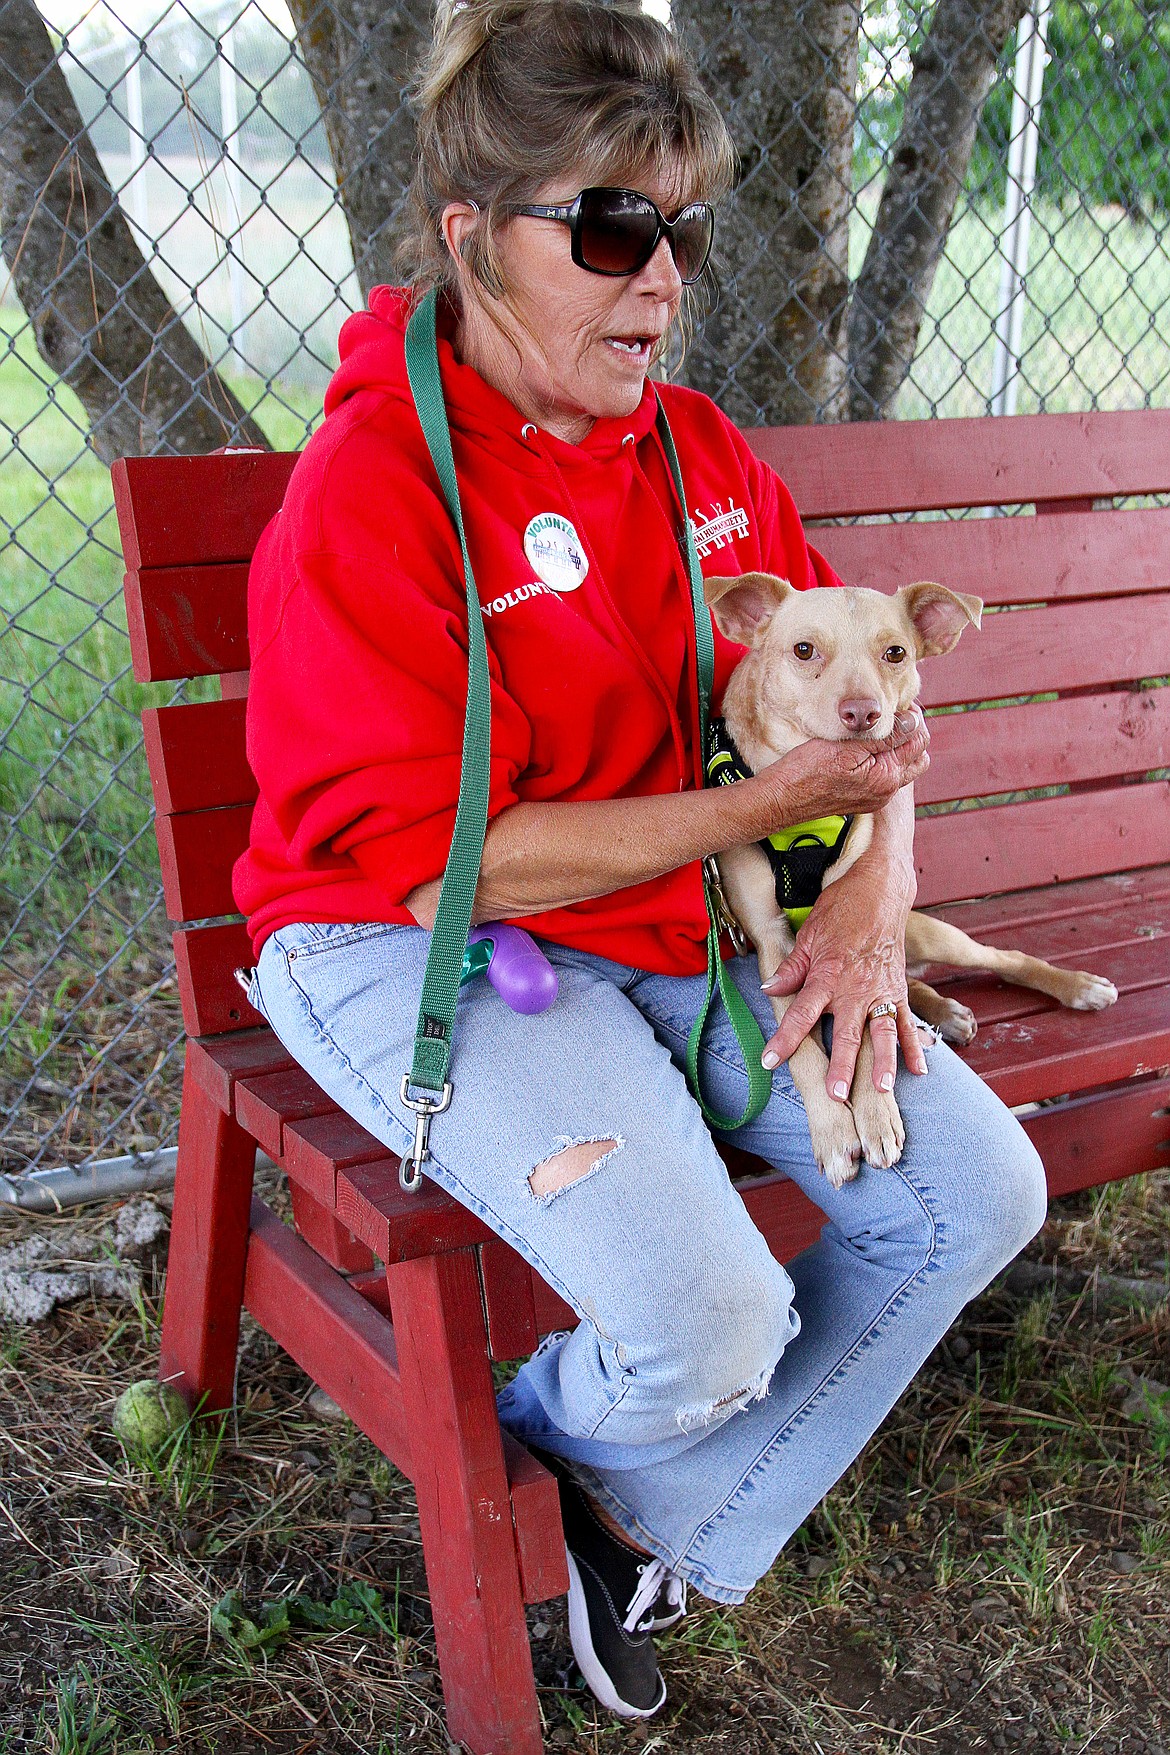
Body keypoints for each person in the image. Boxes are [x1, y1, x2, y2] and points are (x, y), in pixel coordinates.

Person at [233, 0, 1047, 1722]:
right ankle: (549, 1433)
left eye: (678, 230)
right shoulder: (372, 490)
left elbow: (859, 698)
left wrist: (878, 882)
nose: (659, 275)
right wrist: (775, 821)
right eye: (609, 229)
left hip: (675, 912)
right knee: (714, 1323)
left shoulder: (698, 456)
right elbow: (470, 867)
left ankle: (598, 1506)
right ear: (472, 238)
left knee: (973, 1193)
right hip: (412, 932)